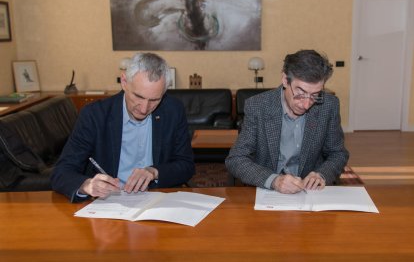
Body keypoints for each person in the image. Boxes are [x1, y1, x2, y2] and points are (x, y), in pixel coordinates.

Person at [51, 52, 195, 202]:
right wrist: (87, 185)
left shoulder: (173, 110)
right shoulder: (95, 115)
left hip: (156, 199)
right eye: (138, 97)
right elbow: (61, 172)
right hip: (109, 203)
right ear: (124, 82)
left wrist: (154, 172)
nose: (144, 108)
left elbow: (186, 165)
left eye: (154, 100)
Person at [225, 49, 349, 194]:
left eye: (315, 95)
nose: (306, 104)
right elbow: (236, 159)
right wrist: (274, 181)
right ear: (285, 80)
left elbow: (338, 154)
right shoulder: (258, 106)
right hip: (269, 192)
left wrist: (321, 174)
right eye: (300, 94)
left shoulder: (329, 105)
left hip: (310, 194)